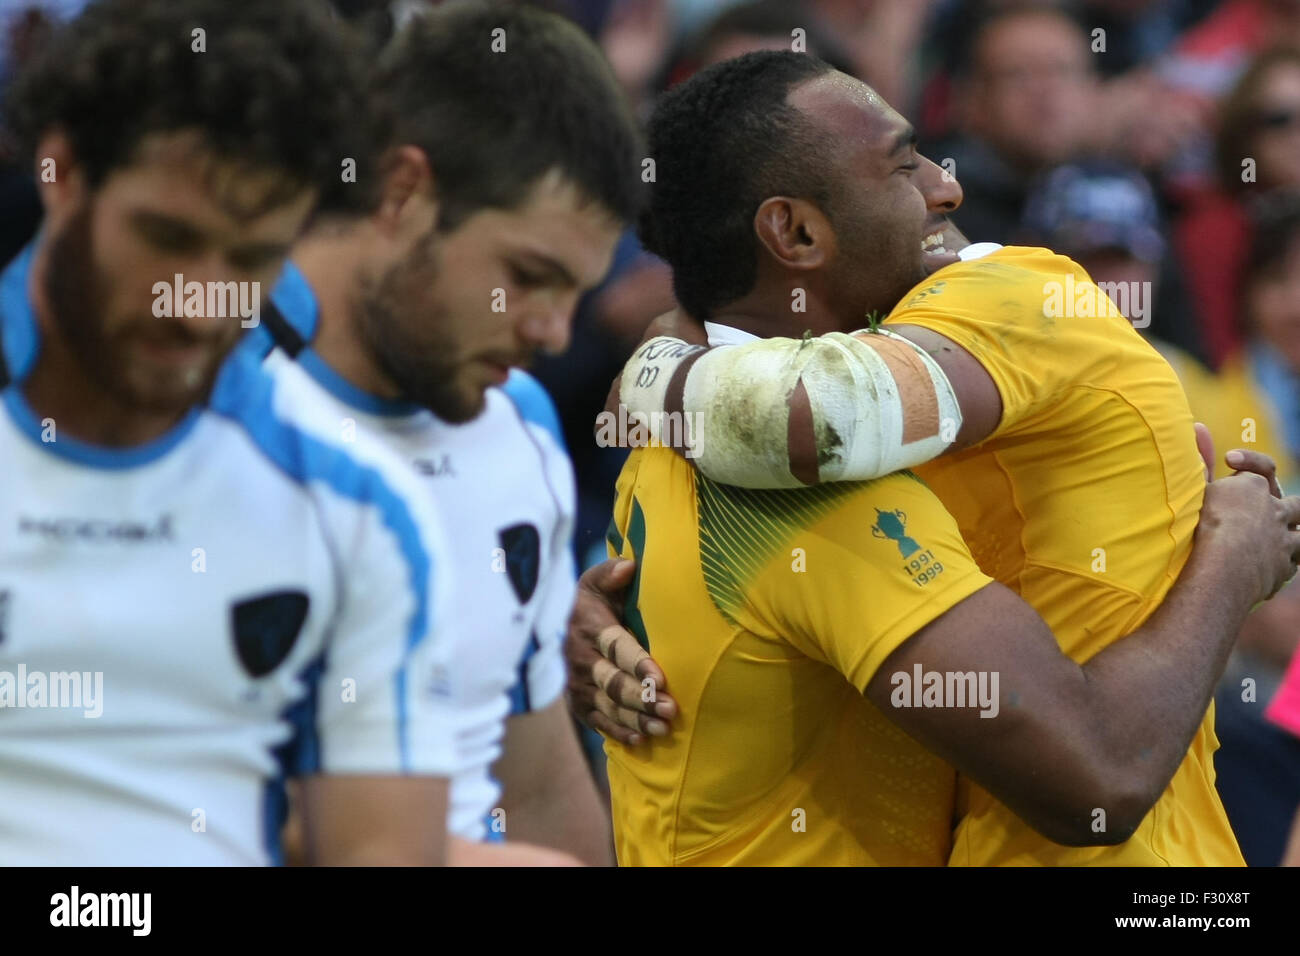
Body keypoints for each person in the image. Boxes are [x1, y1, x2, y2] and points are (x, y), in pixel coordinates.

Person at [571, 50, 1300, 865]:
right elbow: (1097, 778)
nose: (946, 189)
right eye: (901, 165)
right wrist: (1231, 561)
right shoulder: (816, 474)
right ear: (797, 231)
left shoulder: (679, 437)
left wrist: (655, 358)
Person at [0, 0, 461, 866]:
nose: (199, 300)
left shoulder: (358, 504)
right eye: (168, 237)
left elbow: (379, 852)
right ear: (60, 172)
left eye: (250, 258)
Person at [246, 1, 641, 865]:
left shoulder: (522, 424)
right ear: (402, 191)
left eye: (576, 291)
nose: (553, 332)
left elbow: (532, 779)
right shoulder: (188, 414)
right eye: (528, 275)